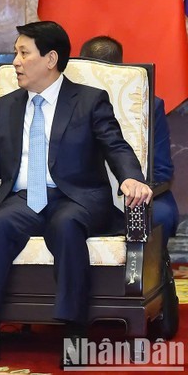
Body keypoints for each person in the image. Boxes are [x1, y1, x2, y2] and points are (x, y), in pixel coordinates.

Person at [0, 21, 153, 367]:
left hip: (78, 197)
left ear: (51, 58)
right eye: (16, 52)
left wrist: (131, 178)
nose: (16, 61)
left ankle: (74, 331)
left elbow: (116, 147)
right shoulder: (9, 105)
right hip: (26, 198)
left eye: (24, 53)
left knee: (66, 224)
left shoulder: (88, 101)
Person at [80, 35, 180, 338]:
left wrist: (138, 189)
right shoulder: (66, 101)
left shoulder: (149, 103)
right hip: (84, 195)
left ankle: (148, 291)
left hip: (142, 195)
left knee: (158, 215)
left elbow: (161, 169)